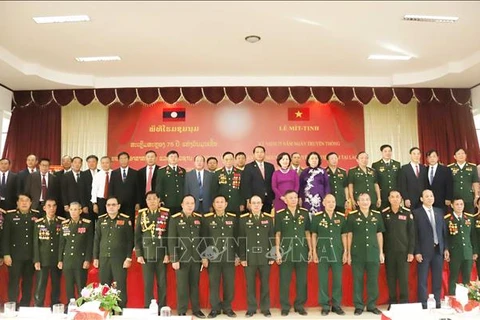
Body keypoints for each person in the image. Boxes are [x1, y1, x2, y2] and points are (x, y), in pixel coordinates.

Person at [275, 190, 312, 316]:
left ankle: (299, 305)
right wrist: (278, 252)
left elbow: (308, 233)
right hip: (286, 252)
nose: (294, 200)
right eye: (291, 198)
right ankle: (285, 306)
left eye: (296, 197)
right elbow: (278, 234)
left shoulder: (304, 213)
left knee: (302, 281)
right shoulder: (280, 215)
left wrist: (311, 249)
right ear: (285, 200)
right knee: (285, 280)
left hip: (302, 251)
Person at [167, 195, 206, 318]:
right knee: (182, 286)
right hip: (182, 258)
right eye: (187, 203)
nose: (190, 206)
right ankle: (182, 310)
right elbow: (171, 240)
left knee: (195, 285)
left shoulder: (199, 218)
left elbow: (203, 239)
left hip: (195, 258)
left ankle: (196, 309)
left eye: (192, 203)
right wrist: (174, 258)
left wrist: (204, 256)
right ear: (182, 205)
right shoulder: (175, 219)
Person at [346, 193, 384, 315]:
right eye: (362, 200)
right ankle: (359, 305)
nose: (365, 202)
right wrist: (349, 253)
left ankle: (372, 305)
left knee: (373, 280)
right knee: (358, 280)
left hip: (373, 252)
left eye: (367, 199)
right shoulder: (352, 216)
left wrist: (381, 252)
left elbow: (379, 234)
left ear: (370, 201)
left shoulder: (377, 215)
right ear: (357, 202)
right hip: (358, 253)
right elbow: (349, 235)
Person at [93, 197, 133, 309]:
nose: (111, 207)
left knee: (120, 286)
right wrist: (95, 257)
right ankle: (106, 310)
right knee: (104, 286)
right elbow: (97, 240)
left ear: (118, 206)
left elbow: (130, 241)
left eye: (113, 205)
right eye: (109, 205)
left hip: (119, 259)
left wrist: (128, 258)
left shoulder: (125, 220)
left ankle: (120, 310)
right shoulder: (101, 220)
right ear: (105, 206)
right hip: (104, 258)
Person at [2, 194, 41, 307]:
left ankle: (25, 306)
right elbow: (5, 237)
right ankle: (12, 305)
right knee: (14, 282)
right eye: (21, 201)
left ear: (31, 203)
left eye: (27, 201)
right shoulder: (10, 216)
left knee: (28, 283)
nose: (24, 203)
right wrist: (6, 254)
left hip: (30, 256)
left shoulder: (36, 216)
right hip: (14, 256)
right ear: (17, 203)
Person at [311, 194, 347, 316]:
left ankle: (336, 305)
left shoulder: (341, 218)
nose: (331, 204)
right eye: (328, 202)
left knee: (337, 279)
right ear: (323, 203)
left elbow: (344, 235)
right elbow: (314, 235)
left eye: (333, 201)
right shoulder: (317, 218)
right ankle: (325, 305)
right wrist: (314, 251)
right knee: (323, 280)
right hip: (323, 252)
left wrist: (346, 251)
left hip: (337, 252)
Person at [202, 195, 238, 318]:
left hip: (229, 256)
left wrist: (237, 255)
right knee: (214, 284)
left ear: (226, 204)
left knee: (229, 284)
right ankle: (215, 308)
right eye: (217, 202)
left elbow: (237, 238)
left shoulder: (232, 219)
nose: (220, 204)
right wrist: (204, 256)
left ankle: (227, 307)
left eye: (222, 202)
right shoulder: (207, 219)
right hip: (213, 258)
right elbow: (204, 239)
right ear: (213, 204)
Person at [239, 195, 274, 318]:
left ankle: (265, 308)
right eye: (253, 203)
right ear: (249, 205)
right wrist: (242, 257)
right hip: (250, 258)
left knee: (265, 284)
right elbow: (241, 240)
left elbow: (271, 239)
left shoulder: (268, 219)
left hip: (265, 257)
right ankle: (251, 308)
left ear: (262, 205)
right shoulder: (243, 220)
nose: (256, 205)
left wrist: (272, 256)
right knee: (250, 285)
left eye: (258, 203)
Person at [413, 189, 449, 309]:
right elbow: (415, 235)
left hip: (438, 250)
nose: (430, 198)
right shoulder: (416, 213)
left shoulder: (439, 212)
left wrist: (446, 248)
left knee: (437, 278)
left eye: (431, 196)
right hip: (423, 251)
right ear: (421, 199)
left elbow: (444, 232)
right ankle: (423, 303)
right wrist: (417, 251)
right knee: (422, 280)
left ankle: (437, 302)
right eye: (427, 196)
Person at [135, 191, 170, 309]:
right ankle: (148, 307)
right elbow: (137, 236)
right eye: (149, 199)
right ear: (146, 201)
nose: (152, 201)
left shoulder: (165, 213)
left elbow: (169, 235)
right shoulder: (142, 214)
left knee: (162, 283)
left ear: (159, 200)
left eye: (154, 198)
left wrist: (167, 253)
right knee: (148, 283)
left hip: (161, 253)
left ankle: (162, 307)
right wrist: (139, 254)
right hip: (147, 253)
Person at [381, 190, 415, 307]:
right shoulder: (384, 214)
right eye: (392, 197)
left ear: (401, 199)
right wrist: (382, 252)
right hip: (389, 252)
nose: (395, 199)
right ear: (389, 199)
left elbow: (412, 234)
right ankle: (393, 302)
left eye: (397, 197)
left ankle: (404, 302)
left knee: (403, 278)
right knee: (390, 278)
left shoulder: (406, 213)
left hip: (403, 252)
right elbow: (382, 234)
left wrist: (411, 251)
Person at [58, 202, 93, 302]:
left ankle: (82, 308)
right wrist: (60, 260)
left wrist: (87, 259)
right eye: (71, 209)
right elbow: (61, 244)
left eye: (75, 209)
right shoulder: (64, 224)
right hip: (67, 260)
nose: (73, 212)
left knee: (81, 287)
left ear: (80, 211)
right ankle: (71, 307)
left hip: (80, 260)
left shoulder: (87, 224)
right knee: (69, 287)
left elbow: (89, 244)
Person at [33, 199, 65, 307]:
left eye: (54, 206)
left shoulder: (62, 222)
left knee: (56, 285)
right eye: (49, 206)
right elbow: (35, 243)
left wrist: (61, 259)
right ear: (44, 208)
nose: (52, 208)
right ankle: (38, 306)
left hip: (56, 259)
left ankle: (55, 306)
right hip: (43, 259)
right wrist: (36, 260)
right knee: (41, 284)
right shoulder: (39, 223)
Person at [445, 198, 477, 295]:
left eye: (461, 204)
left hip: (467, 252)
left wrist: (474, 251)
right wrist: (446, 250)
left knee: (466, 278)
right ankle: (451, 298)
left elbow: (473, 236)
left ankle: (465, 300)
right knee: (453, 277)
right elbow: (445, 236)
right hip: (455, 253)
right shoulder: (447, 219)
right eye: (457, 204)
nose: (459, 206)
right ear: (452, 205)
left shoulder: (469, 218)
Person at [109, 151, 141, 226]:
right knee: (118, 222)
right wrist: (111, 202)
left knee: (130, 222)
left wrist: (138, 202)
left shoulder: (135, 173)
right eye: (121, 159)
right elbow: (111, 188)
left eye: (125, 158)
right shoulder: (114, 173)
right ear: (119, 160)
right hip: (118, 203)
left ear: (128, 159)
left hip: (131, 203)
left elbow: (138, 189)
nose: (123, 160)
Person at [242, 146, 275, 213]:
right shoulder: (248, 167)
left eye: (261, 152)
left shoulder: (270, 166)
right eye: (257, 152)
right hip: (255, 200)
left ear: (264, 154)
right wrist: (248, 200)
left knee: (267, 219)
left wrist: (273, 199)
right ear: (253, 154)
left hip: (268, 199)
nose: (259, 154)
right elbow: (246, 185)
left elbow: (273, 183)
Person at [448, 148, 480, 214]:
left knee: (470, 217)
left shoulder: (472, 167)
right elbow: (447, 184)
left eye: (463, 153)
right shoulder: (450, 168)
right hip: (455, 197)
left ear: (466, 155)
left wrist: (476, 196)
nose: (461, 155)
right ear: (454, 157)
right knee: (456, 219)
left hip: (468, 197)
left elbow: (475, 182)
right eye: (458, 154)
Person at [299, 152, 330, 219]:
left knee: (319, 217)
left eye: (316, 158)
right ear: (308, 160)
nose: (314, 160)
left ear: (319, 160)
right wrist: (300, 198)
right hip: (307, 198)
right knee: (307, 216)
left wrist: (327, 197)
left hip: (320, 198)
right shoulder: (304, 172)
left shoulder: (323, 171)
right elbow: (301, 187)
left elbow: (327, 185)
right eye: (312, 158)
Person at [156, 150, 186, 216]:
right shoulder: (162, 171)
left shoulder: (182, 170)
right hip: (167, 202)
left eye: (175, 157)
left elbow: (184, 186)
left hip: (180, 202)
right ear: (167, 158)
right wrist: (160, 200)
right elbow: (159, 187)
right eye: (171, 156)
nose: (173, 158)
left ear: (178, 158)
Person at [371, 144, 401, 210]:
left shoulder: (397, 164)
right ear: (381, 152)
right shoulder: (376, 165)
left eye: (389, 151)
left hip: (394, 195)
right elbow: (375, 181)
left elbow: (399, 180)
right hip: (382, 195)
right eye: (385, 151)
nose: (388, 153)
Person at [81, 155, 99, 221]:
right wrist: (84, 205)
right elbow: (81, 191)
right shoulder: (83, 174)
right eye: (89, 162)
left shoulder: (102, 173)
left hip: (100, 204)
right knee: (89, 225)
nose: (91, 163)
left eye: (93, 161)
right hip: (87, 204)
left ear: (97, 162)